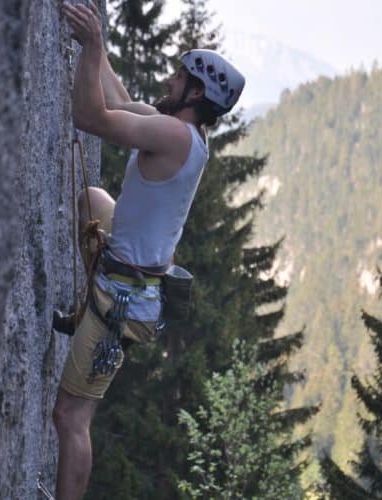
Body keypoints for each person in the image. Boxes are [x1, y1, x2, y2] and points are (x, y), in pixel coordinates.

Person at [53, 2, 245, 499]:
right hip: (135, 274)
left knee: (72, 416)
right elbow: (121, 99)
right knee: (92, 200)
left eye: (177, 78)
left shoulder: (173, 137)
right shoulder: (185, 135)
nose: (167, 80)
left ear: (195, 93)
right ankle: (85, 310)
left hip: (124, 301)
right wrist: (91, 41)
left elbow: (90, 114)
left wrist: (93, 46)